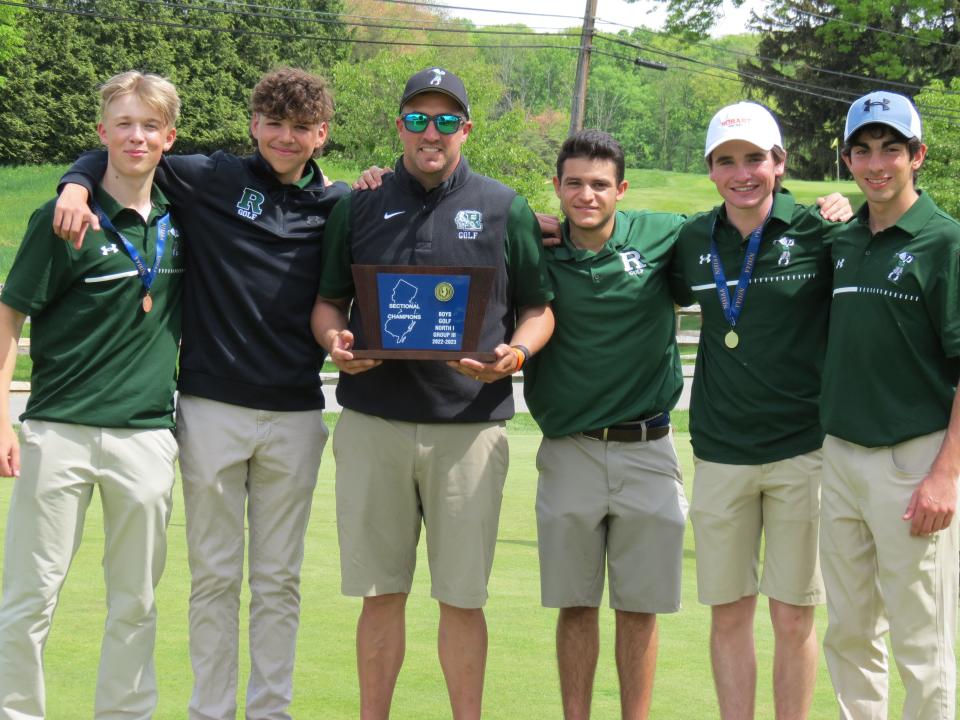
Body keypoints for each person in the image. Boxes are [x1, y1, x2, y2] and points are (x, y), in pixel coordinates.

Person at [54, 68, 349, 720]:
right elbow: (126, 147)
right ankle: (210, 712)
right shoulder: (214, 177)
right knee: (214, 577)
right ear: (254, 123)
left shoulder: (340, 204)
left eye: (301, 127)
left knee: (278, 582)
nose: (285, 136)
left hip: (297, 412)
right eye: (273, 123)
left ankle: (270, 711)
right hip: (211, 407)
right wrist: (75, 182)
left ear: (321, 134)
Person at [311, 66, 554, 720]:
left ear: (465, 129)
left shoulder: (506, 206)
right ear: (400, 126)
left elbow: (538, 308)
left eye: (446, 120)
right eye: (418, 118)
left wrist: (517, 353)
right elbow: (327, 303)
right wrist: (334, 341)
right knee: (379, 594)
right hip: (373, 423)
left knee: (461, 597)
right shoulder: (357, 203)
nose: (431, 132)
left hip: (469, 428)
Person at [0, 71, 182, 719]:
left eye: (149, 125)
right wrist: (1, 421)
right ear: (102, 132)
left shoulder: (182, 222)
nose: (136, 136)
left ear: (169, 137)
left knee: (135, 602)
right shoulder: (60, 217)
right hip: (57, 432)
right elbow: (8, 320)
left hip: (147, 437)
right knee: (30, 598)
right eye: (124, 124)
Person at [669, 102, 850, 720]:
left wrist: (845, 208)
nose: (741, 173)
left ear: (779, 163)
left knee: (794, 613)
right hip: (720, 453)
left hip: (804, 451)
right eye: (726, 162)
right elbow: (611, 232)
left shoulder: (821, 231)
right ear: (711, 170)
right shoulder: (693, 238)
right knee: (729, 613)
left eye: (754, 159)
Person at [522, 129, 687, 719]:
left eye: (598, 185)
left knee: (640, 607)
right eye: (574, 184)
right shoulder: (535, 243)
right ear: (557, 187)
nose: (585, 195)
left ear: (621, 189)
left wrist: (823, 203)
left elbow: (743, 218)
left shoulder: (662, 235)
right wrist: (376, 176)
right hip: (570, 451)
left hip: (649, 448)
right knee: (575, 603)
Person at [819, 91, 959, 720]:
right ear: (848, 159)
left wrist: (945, 474)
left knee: (920, 638)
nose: (877, 163)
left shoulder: (945, 242)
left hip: (914, 461)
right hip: (841, 458)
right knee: (849, 631)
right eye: (863, 150)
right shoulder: (843, 240)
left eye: (892, 149)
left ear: (917, 156)